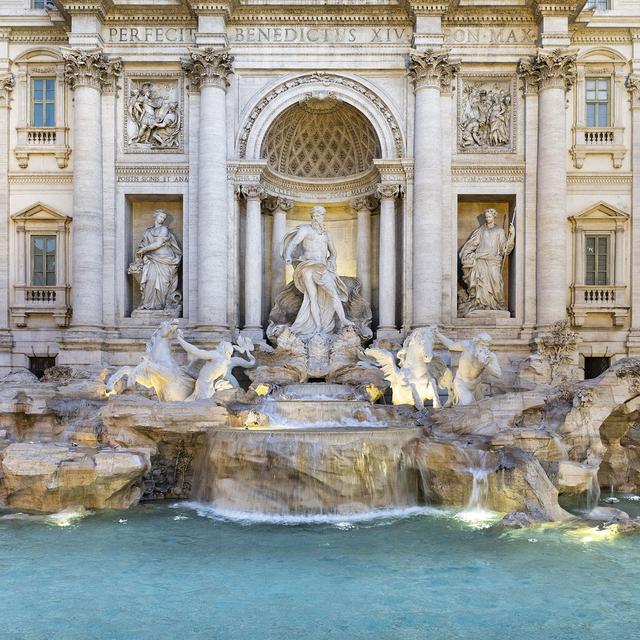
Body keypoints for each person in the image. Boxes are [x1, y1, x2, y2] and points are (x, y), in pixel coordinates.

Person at [281, 205, 353, 339]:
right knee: (311, 296)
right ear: (313, 216)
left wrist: (332, 259)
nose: (320, 217)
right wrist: (288, 256)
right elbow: (293, 243)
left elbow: (333, 251)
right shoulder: (305, 230)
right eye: (318, 215)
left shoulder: (326, 234)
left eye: (322, 215)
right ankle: (318, 325)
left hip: (322, 267)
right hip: (307, 266)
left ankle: (343, 320)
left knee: (334, 294)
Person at [459, 208, 515, 315]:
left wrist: (512, 235)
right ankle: (480, 304)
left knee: (496, 282)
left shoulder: (499, 231)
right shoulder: (481, 230)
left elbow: (505, 249)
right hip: (480, 260)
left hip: (493, 261)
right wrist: (467, 254)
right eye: (486, 217)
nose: (487, 219)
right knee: (480, 284)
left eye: (489, 217)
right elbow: (472, 244)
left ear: (494, 217)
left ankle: (496, 304)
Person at [130, 209, 182, 311]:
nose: (162, 219)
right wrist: (141, 251)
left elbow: (158, 244)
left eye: (164, 218)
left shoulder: (164, 230)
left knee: (163, 283)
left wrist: (143, 250)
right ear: (156, 216)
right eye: (160, 216)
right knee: (150, 280)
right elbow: (143, 244)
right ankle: (148, 304)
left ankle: (160, 305)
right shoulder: (148, 231)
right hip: (151, 259)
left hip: (165, 260)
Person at [435, 330, 501, 406]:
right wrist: (438, 334)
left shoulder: (490, 356)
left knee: (477, 408)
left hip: (476, 385)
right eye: (481, 345)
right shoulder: (468, 345)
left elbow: (498, 374)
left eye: (486, 346)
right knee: (467, 403)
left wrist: (487, 365)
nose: (483, 348)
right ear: (476, 342)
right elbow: (451, 345)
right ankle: (453, 398)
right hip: (461, 381)